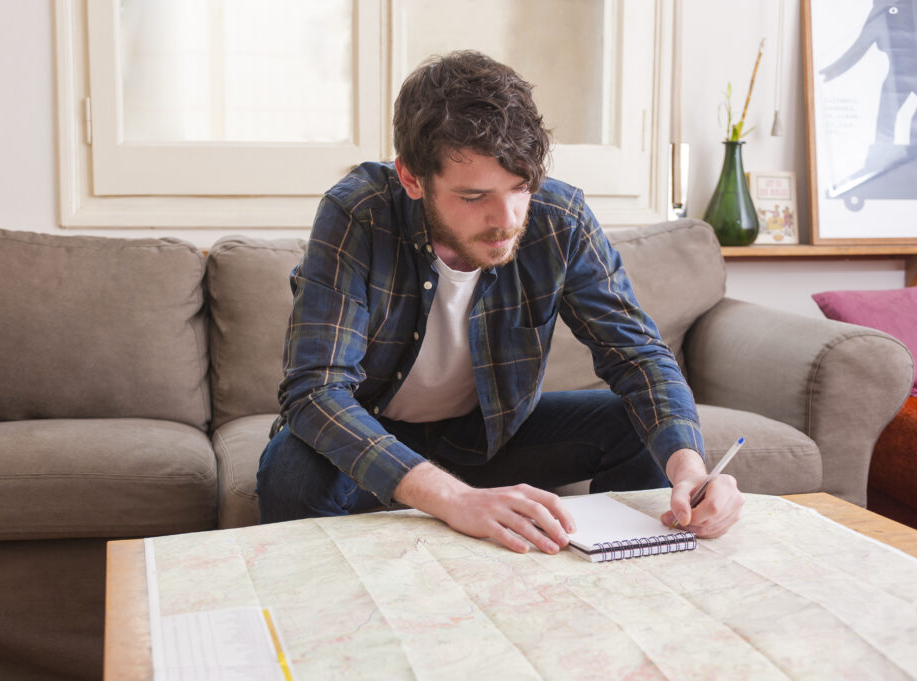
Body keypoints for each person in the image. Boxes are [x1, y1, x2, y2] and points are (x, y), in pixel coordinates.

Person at [257, 50, 743, 554]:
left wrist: (691, 468)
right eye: (473, 197)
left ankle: (614, 582)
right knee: (291, 469)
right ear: (412, 178)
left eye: (520, 187)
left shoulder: (561, 219)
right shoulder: (359, 213)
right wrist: (452, 499)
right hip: (376, 432)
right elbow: (315, 391)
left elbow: (638, 356)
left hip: (492, 435)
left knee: (638, 427)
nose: (507, 218)